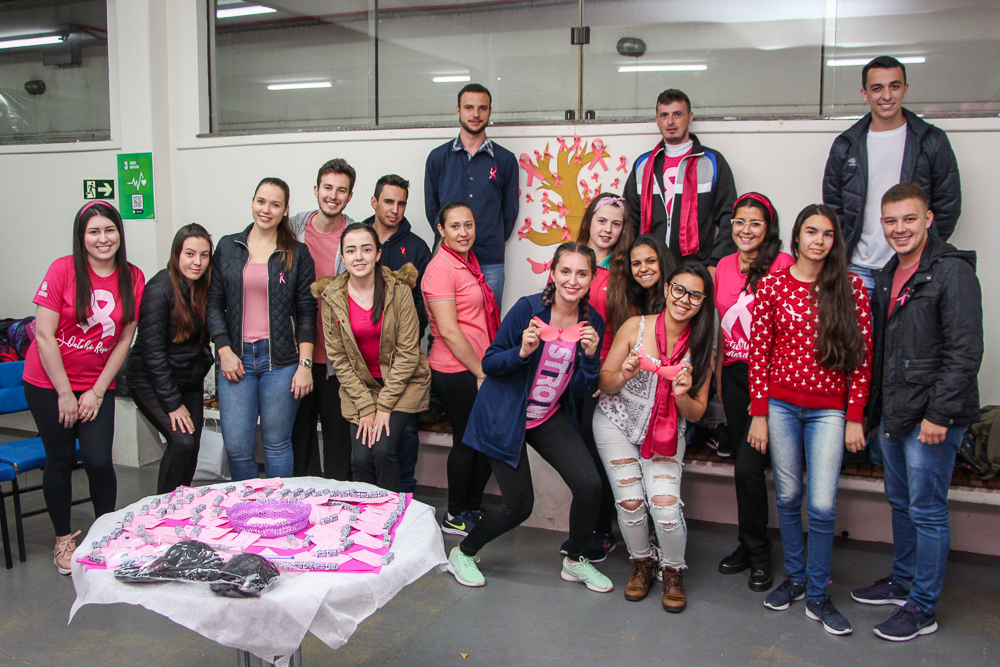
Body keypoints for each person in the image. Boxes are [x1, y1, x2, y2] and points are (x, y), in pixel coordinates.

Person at [852, 183, 982, 642]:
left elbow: (965, 352)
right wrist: (874, 414)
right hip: (896, 414)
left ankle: (923, 606)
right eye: (890, 221)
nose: (899, 229)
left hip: (932, 419)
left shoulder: (952, 272)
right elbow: (885, 350)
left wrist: (940, 416)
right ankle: (903, 582)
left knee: (927, 511)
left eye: (909, 219)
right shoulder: (888, 274)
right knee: (902, 503)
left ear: (928, 219)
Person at [446, 242, 611, 593]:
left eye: (582, 273)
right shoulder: (528, 310)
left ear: (592, 279)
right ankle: (463, 553)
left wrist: (593, 358)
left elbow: (582, 390)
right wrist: (522, 352)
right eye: (566, 271)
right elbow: (490, 363)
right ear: (552, 272)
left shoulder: (591, 321)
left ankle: (575, 560)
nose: (573, 280)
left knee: (589, 484)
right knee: (519, 505)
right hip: (504, 416)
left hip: (546, 416)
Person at [748, 204, 872, 636]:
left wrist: (854, 416)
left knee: (820, 504)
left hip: (829, 411)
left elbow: (862, 358)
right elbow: (758, 356)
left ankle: (819, 593)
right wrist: (759, 413)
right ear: (796, 237)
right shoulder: (772, 286)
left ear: (835, 241)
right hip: (780, 407)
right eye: (810, 232)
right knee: (787, 496)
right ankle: (797, 579)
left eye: (827, 234)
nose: (818, 241)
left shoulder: (851, 287)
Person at [23, 201, 144, 574]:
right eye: (94, 231)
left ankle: (106, 534)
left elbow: (124, 340)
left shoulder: (132, 276)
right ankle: (63, 540)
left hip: (96, 385)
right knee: (59, 460)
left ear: (119, 234)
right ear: (82, 237)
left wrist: (95, 390)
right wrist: (64, 393)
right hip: (48, 383)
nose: (103, 238)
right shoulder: (63, 270)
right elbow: (44, 335)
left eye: (109, 230)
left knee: (96, 460)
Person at [595, 262, 714, 612]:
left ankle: (673, 571)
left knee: (664, 508)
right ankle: (642, 563)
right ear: (666, 289)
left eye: (695, 295)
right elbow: (605, 383)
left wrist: (680, 394)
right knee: (631, 502)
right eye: (679, 289)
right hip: (615, 423)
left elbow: (697, 412)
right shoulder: (636, 326)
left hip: (665, 432)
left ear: (702, 302)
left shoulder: (704, 344)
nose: (684, 299)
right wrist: (625, 374)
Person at [823, 55, 962, 297]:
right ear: (865, 93)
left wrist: (920, 250)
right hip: (859, 267)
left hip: (913, 268)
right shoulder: (846, 144)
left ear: (905, 89)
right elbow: (833, 206)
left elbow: (947, 205)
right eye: (877, 88)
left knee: (909, 335)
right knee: (858, 336)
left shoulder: (932, 141)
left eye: (894, 86)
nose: (886, 96)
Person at [208, 177, 317, 481]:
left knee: (277, 445)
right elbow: (214, 305)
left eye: (275, 204)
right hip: (236, 360)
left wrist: (305, 365)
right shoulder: (229, 247)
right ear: (252, 202)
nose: (266, 210)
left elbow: (308, 313)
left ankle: (279, 514)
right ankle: (248, 512)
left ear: (285, 210)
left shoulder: (297, 253)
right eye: (261, 201)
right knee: (238, 447)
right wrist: (224, 350)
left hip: (280, 362)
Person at [713, 193, 794, 592]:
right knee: (744, 469)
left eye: (756, 224)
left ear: (769, 228)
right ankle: (749, 545)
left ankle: (760, 553)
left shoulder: (784, 264)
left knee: (749, 467)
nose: (746, 230)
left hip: (772, 379)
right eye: (740, 222)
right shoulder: (724, 266)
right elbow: (717, 329)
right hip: (733, 376)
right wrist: (713, 376)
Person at [316, 223, 431, 491]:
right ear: (342, 257)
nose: (359, 257)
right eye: (351, 250)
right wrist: (367, 406)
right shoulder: (332, 297)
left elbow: (408, 353)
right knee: (360, 458)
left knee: (382, 451)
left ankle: (393, 516)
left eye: (366, 249)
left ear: (378, 253)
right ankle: (367, 518)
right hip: (361, 387)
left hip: (402, 385)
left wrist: (384, 406)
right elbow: (340, 360)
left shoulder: (399, 290)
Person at [564, 193, 637, 561]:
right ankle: (582, 528)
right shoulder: (573, 261)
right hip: (567, 373)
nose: (607, 229)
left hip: (604, 376)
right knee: (578, 456)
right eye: (601, 220)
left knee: (599, 456)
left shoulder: (626, 271)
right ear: (589, 221)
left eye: (616, 223)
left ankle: (600, 531)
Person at [422, 202, 499, 536]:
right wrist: (480, 372)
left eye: (468, 225)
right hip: (456, 369)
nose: (463, 232)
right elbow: (450, 331)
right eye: (455, 226)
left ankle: (470, 507)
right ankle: (455, 513)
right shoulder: (440, 269)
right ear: (441, 230)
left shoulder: (466, 262)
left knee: (480, 441)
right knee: (468, 442)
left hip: (476, 365)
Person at [128, 224, 215, 494]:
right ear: (176, 253)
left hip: (187, 378)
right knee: (182, 442)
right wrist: (173, 404)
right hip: (151, 380)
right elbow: (153, 354)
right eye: (190, 254)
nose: (197, 262)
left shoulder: (202, 288)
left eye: (204, 255)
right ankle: (161, 508)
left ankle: (181, 504)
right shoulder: (159, 289)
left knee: (193, 445)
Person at [361, 174, 432, 493]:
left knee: (404, 430)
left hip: (402, 356)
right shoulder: (358, 238)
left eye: (401, 203)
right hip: (362, 356)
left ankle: (405, 494)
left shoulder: (416, 247)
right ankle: (367, 496)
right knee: (365, 435)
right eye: (388, 201)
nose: (395, 209)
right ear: (374, 202)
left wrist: (399, 331)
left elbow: (423, 304)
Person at [289, 159, 355, 480]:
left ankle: (338, 508)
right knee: (300, 441)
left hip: (337, 360)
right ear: (316, 190)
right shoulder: (291, 229)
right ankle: (307, 508)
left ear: (349, 196)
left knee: (339, 442)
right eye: (327, 188)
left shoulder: (356, 236)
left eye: (341, 190)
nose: (333, 195)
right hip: (296, 357)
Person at [424, 83, 518, 306]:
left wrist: (488, 236)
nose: (475, 114)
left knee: (490, 326)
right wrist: (454, 239)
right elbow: (432, 208)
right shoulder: (438, 158)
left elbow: (509, 212)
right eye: (468, 108)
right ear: (458, 111)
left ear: (489, 112)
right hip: (447, 258)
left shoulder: (505, 160)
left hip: (490, 261)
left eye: (482, 108)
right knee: (444, 324)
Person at [624, 89, 738, 271]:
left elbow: (729, 217)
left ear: (690, 117)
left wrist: (717, 263)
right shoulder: (643, 164)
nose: (670, 121)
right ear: (657, 119)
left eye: (677, 114)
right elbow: (629, 220)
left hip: (697, 268)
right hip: (651, 270)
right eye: (664, 115)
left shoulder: (712, 161)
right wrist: (630, 264)